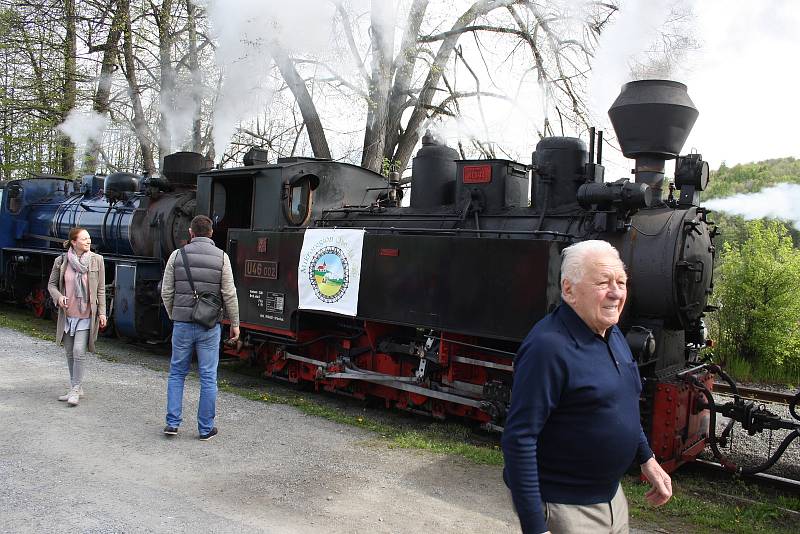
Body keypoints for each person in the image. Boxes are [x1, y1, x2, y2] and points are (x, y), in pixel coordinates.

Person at [501, 240, 672, 534]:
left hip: (611, 498)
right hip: (566, 508)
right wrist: (535, 527)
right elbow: (519, 439)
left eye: (621, 281)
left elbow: (623, 402)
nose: (616, 292)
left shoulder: (612, 333)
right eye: (603, 282)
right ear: (568, 290)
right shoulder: (548, 348)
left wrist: (647, 459)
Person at [160, 214, 240, 440]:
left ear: (190, 232)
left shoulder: (177, 255)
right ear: (211, 233)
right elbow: (229, 294)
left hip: (182, 324)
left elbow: (166, 291)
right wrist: (235, 323)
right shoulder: (222, 258)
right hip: (209, 325)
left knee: (177, 373)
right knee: (207, 376)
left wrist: (175, 314)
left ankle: (172, 423)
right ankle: (205, 429)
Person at [47, 227, 107, 407]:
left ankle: (75, 389)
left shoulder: (97, 261)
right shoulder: (61, 261)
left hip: (87, 314)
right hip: (68, 314)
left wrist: (103, 312)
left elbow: (101, 289)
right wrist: (59, 297)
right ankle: (76, 386)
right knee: (69, 352)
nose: (88, 242)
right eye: (84, 239)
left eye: (89, 239)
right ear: (74, 242)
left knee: (79, 351)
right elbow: (51, 285)